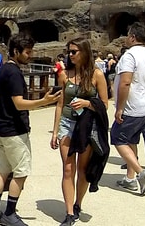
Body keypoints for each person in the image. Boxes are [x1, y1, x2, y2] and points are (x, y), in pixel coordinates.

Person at [0, 34, 61, 226]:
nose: (30, 55)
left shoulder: (3, 70)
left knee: (2, 170)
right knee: (20, 172)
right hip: (14, 130)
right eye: (27, 52)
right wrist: (44, 102)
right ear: (15, 52)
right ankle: (9, 213)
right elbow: (19, 104)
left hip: (2, 129)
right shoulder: (14, 73)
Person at [50, 38, 109, 225]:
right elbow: (60, 104)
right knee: (68, 169)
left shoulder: (96, 75)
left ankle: (77, 204)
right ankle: (68, 213)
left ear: (84, 52)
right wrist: (54, 131)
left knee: (82, 170)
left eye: (74, 51)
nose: (70, 55)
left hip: (86, 126)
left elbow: (105, 104)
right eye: (69, 52)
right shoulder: (64, 75)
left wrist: (87, 103)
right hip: (67, 124)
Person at [111, 24, 145, 195]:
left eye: (127, 35)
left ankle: (140, 173)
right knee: (131, 140)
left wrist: (120, 108)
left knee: (117, 138)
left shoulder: (130, 55)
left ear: (132, 37)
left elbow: (125, 82)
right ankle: (130, 179)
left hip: (133, 107)